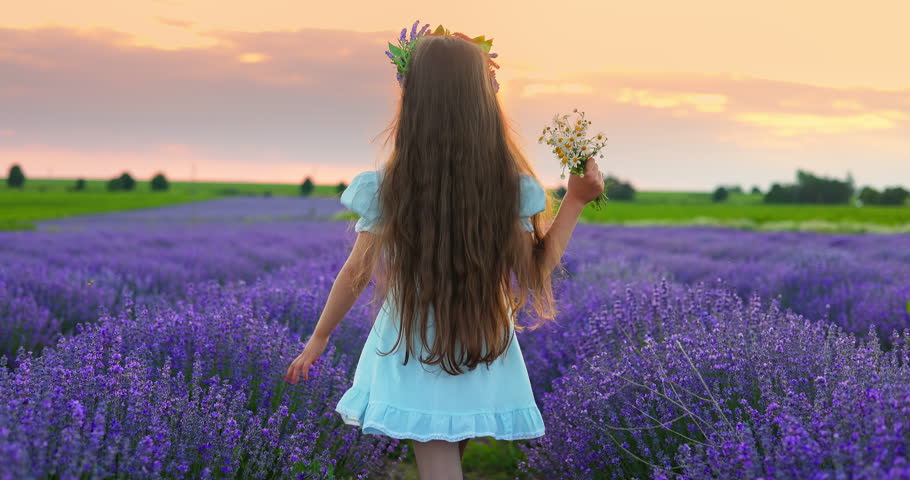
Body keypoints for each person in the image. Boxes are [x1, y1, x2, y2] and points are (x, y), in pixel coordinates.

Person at [285, 32, 604, 479]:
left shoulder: (388, 188)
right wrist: (574, 201)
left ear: (413, 103)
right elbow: (534, 271)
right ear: (482, 103)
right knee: (448, 455)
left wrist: (319, 337)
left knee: (441, 462)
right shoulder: (506, 188)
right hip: (480, 336)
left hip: (413, 340)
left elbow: (356, 272)